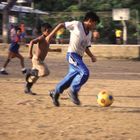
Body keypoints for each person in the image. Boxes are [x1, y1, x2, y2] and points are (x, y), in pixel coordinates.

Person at [46, 11, 100, 106]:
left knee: (69, 80)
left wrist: (91, 56)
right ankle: (73, 91)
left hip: (79, 57)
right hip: (72, 55)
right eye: (94, 24)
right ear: (90, 21)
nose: (94, 26)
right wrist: (50, 36)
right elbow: (61, 25)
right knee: (85, 72)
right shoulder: (77, 24)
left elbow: (86, 47)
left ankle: (55, 92)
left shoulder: (89, 34)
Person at [24, 23, 52, 95]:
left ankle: (27, 88)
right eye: (48, 31)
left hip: (40, 60)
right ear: (44, 31)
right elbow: (32, 42)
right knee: (45, 72)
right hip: (37, 59)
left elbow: (45, 49)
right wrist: (29, 53)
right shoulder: (42, 38)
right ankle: (29, 72)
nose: (50, 33)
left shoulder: (47, 39)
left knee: (35, 77)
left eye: (50, 31)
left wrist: (56, 50)